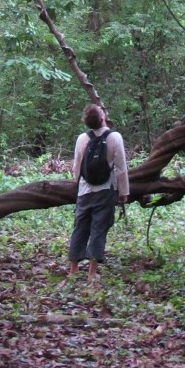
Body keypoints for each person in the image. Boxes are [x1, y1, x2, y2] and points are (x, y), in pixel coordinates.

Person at [67, 103, 129, 282]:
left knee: (80, 228)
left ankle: (73, 270)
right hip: (105, 191)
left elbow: (77, 165)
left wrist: (76, 184)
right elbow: (121, 168)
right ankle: (92, 273)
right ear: (103, 119)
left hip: (84, 191)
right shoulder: (114, 137)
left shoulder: (82, 138)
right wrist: (123, 191)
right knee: (98, 229)